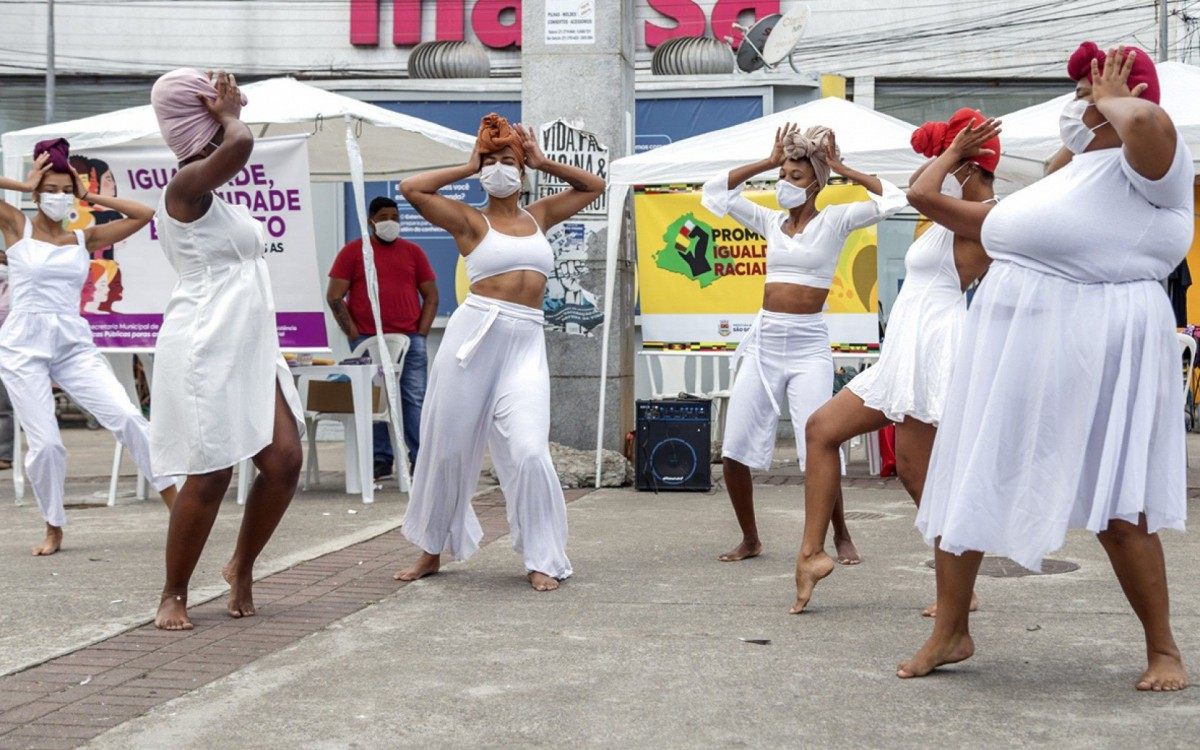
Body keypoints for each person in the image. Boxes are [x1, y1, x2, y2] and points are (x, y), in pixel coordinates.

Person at [896, 45, 1189, 692]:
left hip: (1103, 342)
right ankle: (950, 631)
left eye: (1090, 94)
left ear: (1125, 98)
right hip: (1011, 344)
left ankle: (1163, 649)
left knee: (1121, 505)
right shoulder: (1067, 174)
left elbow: (1147, 124)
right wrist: (1072, 134)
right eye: (1080, 93)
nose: (1078, 104)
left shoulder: (1153, 168)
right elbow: (931, 201)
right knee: (967, 475)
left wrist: (1112, 101)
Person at [790, 109, 997, 616]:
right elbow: (913, 186)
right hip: (904, 348)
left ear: (971, 165)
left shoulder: (987, 215)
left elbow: (921, 189)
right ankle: (811, 554)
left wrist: (953, 151)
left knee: (916, 473)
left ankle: (960, 589)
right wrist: (843, 168)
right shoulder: (949, 208)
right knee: (821, 429)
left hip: (933, 348)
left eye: (952, 158)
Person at [393, 113, 605, 591]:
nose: (498, 169)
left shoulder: (539, 216)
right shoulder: (470, 220)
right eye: (490, 162)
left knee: (530, 451)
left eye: (507, 161)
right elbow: (411, 189)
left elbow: (594, 186)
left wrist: (543, 160)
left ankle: (542, 556)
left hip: (525, 343)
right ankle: (431, 549)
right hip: (474, 340)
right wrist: (469, 165)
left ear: (522, 170)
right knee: (448, 449)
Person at [700, 124, 907, 564]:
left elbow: (892, 199)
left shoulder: (836, 220)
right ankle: (750, 538)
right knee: (734, 450)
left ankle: (841, 533)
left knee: (820, 446)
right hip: (764, 344)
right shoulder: (769, 221)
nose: (785, 183)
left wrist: (841, 167)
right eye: (783, 175)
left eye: (795, 176)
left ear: (816, 182)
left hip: (808, 348)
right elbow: (714, 192)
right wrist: (767, 161)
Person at [150, 69, 305, 630]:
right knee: (211, 473)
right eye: (212, 110)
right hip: (205, 343)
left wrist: (226, 112)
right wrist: (231, 115)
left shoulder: (214, 197)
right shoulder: (183, 188)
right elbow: (239, 144)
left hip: (251, 344)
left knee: (284, 461)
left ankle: (241, 565)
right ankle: (173, 592)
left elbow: (235, 146)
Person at [0, 139, 177, 556]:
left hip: (72, 344)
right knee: (47, 445)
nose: (58, 197)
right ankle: (54, 526)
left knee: (128, 417)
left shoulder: (84, 237)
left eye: (66, 190)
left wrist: (89, 196)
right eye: (51, 189)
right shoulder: (17, 227)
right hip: (23, 346)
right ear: (37, 192)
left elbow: (145, 214)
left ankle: (178, 505)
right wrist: (23, 185)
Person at [327, 195, 437, 478]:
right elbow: (335, 296)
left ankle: (420, 458)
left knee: (414, 398)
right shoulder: (353, 253)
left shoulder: (413, 252)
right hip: (367, 338)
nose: (391, 223)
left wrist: (421, 332)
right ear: (371, 221)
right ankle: (381, 458)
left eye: (395, 218)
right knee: (374, 399)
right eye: (384, 218)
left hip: (410, 339)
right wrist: (354, 334)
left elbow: (431, 296)